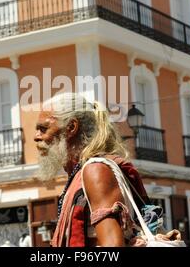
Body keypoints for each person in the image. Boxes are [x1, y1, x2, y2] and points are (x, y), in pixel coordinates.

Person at [34, 92, 181, 247]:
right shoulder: (81, 173)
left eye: (43, 128)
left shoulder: (96, 170)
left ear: (71, 127)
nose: (36, 137)